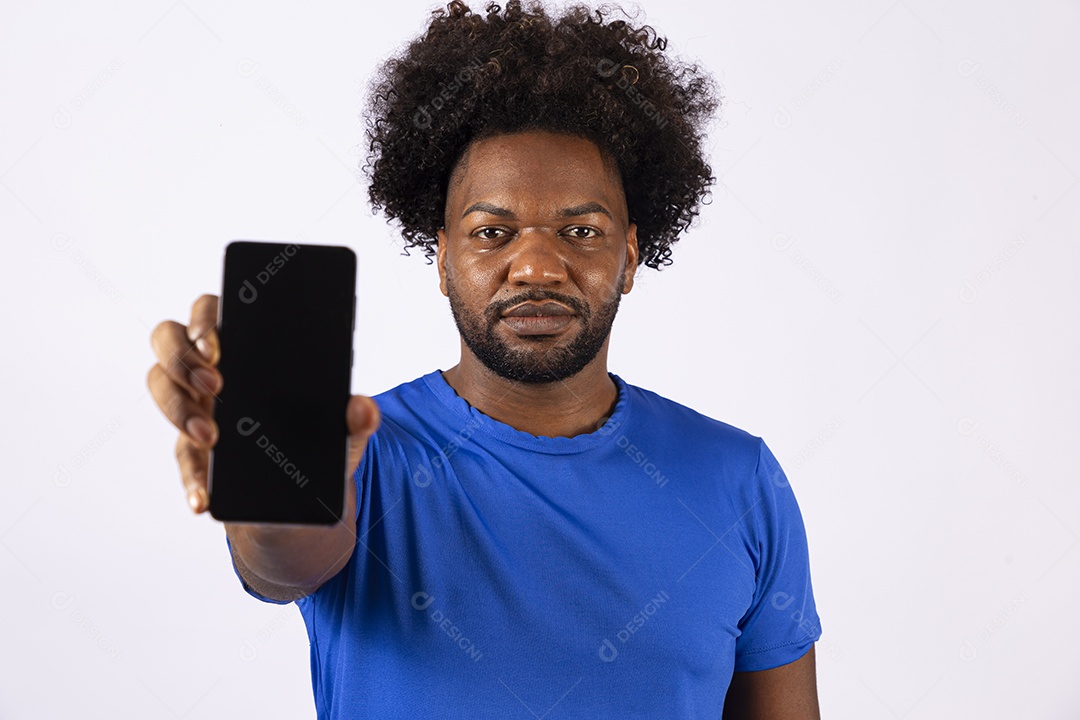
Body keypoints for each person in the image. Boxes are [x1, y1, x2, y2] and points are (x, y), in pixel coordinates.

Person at [147, 1, 823, 717]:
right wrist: (265, 469)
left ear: (629, 256)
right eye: (492, 232)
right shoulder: (360, 455)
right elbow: (282, 557)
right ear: (442, 259)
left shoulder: (738, 479)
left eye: (581, 231)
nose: (536, 267)